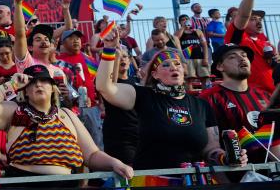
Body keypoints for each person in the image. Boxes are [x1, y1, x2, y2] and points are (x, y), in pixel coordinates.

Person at [96, 35, 243, 170]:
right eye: (165, 65)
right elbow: (105, 87)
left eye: (177, 64)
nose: (173, 67)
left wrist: (226, 157)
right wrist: (109, 49)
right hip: (154, 184)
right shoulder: (143, 96)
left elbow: (211, 149)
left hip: (195, 185)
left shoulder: (201, 105)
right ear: (155, 74)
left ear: (184, 70)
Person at [0, 66, 133, 182]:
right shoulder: (14, 111)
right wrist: (11, 85)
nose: (38, 84)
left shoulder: (68, 115)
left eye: (44, 81)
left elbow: (91, 155)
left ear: (52, 88)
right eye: (32, 82)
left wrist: (114, 163)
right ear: (25, 91)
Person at [201, 43, 275, 162]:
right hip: (238, 175)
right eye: (232, 57)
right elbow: (210, 149)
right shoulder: (209, 98)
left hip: (273, 172)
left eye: (244, 55)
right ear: (220, 66)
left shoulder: (266, 96)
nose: (242, 58)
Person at [226, 0, 275, 93]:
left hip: (275, 94)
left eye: (260, 19)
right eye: (253, 19)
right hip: (253, 95)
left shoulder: (266, 42)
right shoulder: (237, 38)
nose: (258, 21)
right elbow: (243, 15)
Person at [102, 45, 140, 166]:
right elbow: (111, 87)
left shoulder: (136, 82)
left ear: (129, 60)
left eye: (124, 57)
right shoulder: (106, 82)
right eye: (118, 57)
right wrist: (116, 58)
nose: (122, 59)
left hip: (136, 134)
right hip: (118, 137)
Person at [174, 14, 211, 87]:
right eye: (183, 20)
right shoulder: (179, 32)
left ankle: (206, 95)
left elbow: (204, 45)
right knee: (189, 79)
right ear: (180, 22)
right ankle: (190, 95)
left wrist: (206, 58)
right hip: (187, 59)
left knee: (205, 77)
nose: (185, 20)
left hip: (200, 57)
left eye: (186, 19)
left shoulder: (198, 31)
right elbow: (176, 38)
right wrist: (183, 28)